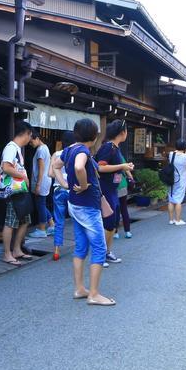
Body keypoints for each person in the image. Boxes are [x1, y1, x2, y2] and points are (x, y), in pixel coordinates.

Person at [63, 118, 114, 306]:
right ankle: (93, 294)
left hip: (75, 205)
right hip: (87, 207)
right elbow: (78, 166)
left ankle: (79, 289)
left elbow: (55, 166)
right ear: (94, 136)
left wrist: (65, 184)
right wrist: (83, 185)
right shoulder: (83, 151)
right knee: (99, 248)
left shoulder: (68, 150)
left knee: (81, 247)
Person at [95, 120, 134, 265]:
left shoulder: (114, 147)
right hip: (105, 189)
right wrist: (122, 165)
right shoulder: (108, 147)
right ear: (122, 133)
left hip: (113, 189)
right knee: (108, 222)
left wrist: (124, 167)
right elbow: (101, 168)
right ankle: (101, 254)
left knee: (113, 222)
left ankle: (107, 252)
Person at [0, 121, 33, 265]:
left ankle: (17, 249)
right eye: (30, 135)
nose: (30, 139)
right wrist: (23, 176)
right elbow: (6, 167)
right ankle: (7, 254)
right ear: (26, 134)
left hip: (19, 190)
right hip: (13, 191)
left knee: (25, 219)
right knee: (11, 222)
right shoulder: (11, 148)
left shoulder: (16, 149)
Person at [50, 130, 75, 261]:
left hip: (58, 190)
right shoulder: (76, 153)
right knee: (77, 219)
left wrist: (60, 177)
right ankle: (79, 248)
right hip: (72, 190)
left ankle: (56, 250)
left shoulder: (56, 154)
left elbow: (50, 173)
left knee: (59, 221)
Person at [28, 130, 53, 239]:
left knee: (40, 205)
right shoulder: (45, 148)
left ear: (37, 138)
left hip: (41, 181)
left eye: (31, 141)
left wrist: (38, 184)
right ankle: (51, 225)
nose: (30, 144)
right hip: (45, 180)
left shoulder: (40, 150)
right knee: (42, 204)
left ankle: (42, 229)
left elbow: (41, 168)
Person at [167, 139, 186, 225]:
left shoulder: (171, 154)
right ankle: (178, 220)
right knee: (178, 201)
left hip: (171, 179)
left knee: (171, 199)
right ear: (184, 147)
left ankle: (171, 220)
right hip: (180, 180)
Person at [115, 142, 134, 239]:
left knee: (116, 210)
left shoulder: (110, 158)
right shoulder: (120, 157)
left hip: (115, 187)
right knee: (124, 209)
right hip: (123, 185)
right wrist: (131, 179)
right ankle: (127, 231)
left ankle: (115, 232)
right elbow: (127, 171)